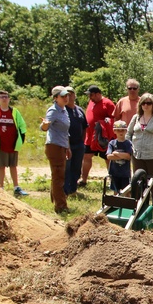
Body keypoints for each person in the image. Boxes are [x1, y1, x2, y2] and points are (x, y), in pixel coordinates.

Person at [40, 85, 72, 214]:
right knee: (59, 176)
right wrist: (45, 125)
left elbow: (65, 132)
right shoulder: (53, 111)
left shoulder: (64, 111)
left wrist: (68, 147)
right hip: (54, 146)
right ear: (55, 98)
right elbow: (44, 126)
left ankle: (57, 201)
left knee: (58, 175)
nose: (66, 98)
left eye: (67, 95)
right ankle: (61, 206)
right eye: (63, 96)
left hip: (62, 146)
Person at [81, 85, 116, 187]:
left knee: (108, 157)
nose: (90, 97)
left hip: (103, 137)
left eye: (91, 95)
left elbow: (113, 119)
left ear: (98, 94)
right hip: (90, 136)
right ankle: (83, 180)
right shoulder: (91, 102)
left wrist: (104, 123)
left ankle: (112, 181)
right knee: (86, 156)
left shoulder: (108, 103)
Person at [64, 87, 87, 197]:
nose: (69, 96)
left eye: (71, 93)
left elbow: (85, 126)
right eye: (66, 94)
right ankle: (65, 191)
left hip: (79, 144)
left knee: (77, 168)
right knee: (66, 168)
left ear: (74, 95)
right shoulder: (63, 110)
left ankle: (73, 190)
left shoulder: (79, 110)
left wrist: (82, 141)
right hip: (66, 144)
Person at [105, 120, 133, 193]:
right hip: (114, 172)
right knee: (115, 191)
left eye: (123, 130)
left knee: (126, 191)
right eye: (118, 130)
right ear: (114, 131)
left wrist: (116, 153)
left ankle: (126, 204)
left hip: (125, 173)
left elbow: (128, 156)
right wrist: (122, 156)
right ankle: (116, 204)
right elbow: (109, 156)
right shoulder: (112, 143)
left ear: (126, 131)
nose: (120, 132)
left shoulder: (128, 143)